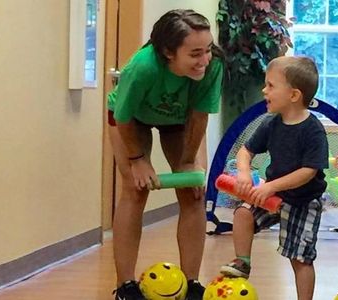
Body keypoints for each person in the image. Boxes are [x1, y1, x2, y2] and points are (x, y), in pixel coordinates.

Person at [107, 9, 223, 300]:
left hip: (181, 119)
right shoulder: (143, 67)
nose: (204, 59)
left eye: (207, 50)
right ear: (168, 52)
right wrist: (137, 159)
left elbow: (199, 115)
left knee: (193, 191)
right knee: (135, 190)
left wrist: (188, 162)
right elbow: (122, 117)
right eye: (195, 53)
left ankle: (193, 283)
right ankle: (125, 286)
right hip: (131, 119)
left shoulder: (214, 65)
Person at [219, 56, 328, 300]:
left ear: (293, 95)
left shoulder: (313, 129)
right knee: (243, 213)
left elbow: (308, 172)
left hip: (303, 201)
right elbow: (245, 151)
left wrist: (271, 187)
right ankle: (243, 262)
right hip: (272, 195)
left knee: (299, 257)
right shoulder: (271, 123)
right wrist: (245, 174)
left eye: (270, 85)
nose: (264, 90)